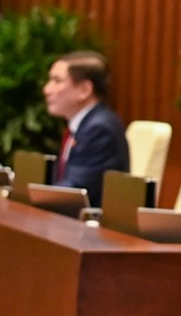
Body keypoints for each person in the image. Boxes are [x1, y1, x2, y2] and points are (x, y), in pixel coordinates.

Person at [43, 51, 131, 207]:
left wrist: (33, 198)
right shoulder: (82, 125)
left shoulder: (100, 129)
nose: (47, 89)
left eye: (57, 81)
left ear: (84, 90)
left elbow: (75, 191)